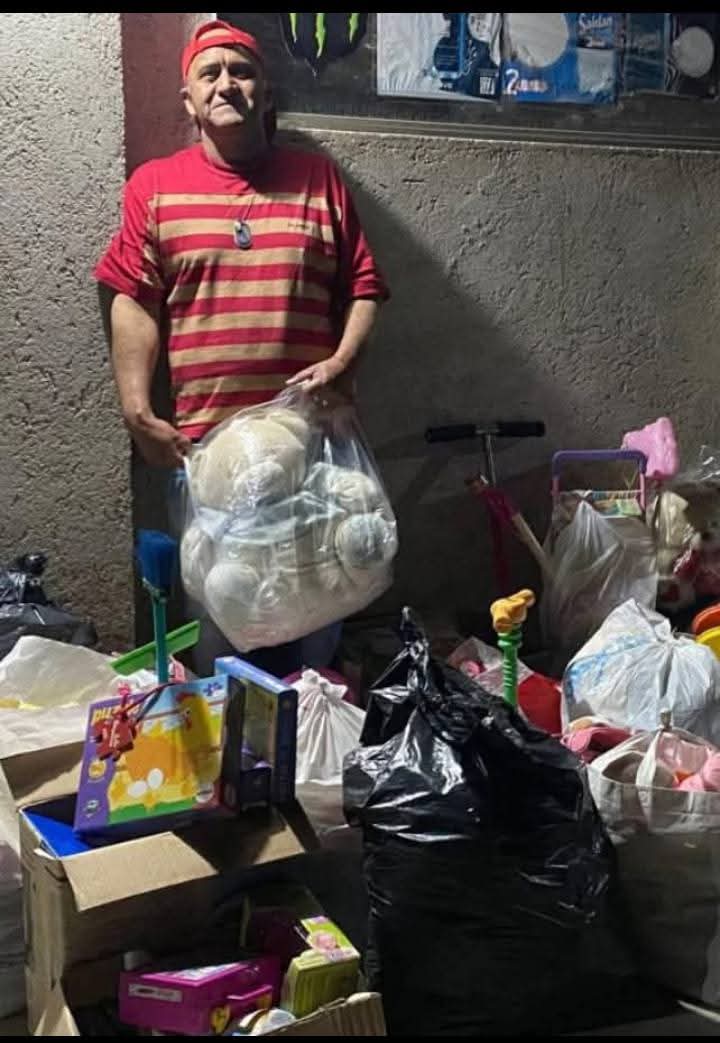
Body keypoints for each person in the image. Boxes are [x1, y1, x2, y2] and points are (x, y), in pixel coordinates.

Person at [95, 19, 388, 676]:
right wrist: (136, 409)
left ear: (266, 92)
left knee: (314, 649)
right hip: (207, 459)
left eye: (242, 71)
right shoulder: (154, 186)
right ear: (189, 100)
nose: (226, 83)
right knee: (223, 648)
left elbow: (364, 286)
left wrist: (343, 362)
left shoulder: (318, 180)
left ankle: (307, 737)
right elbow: (133, 299)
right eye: (210, 73)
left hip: (312, 456)